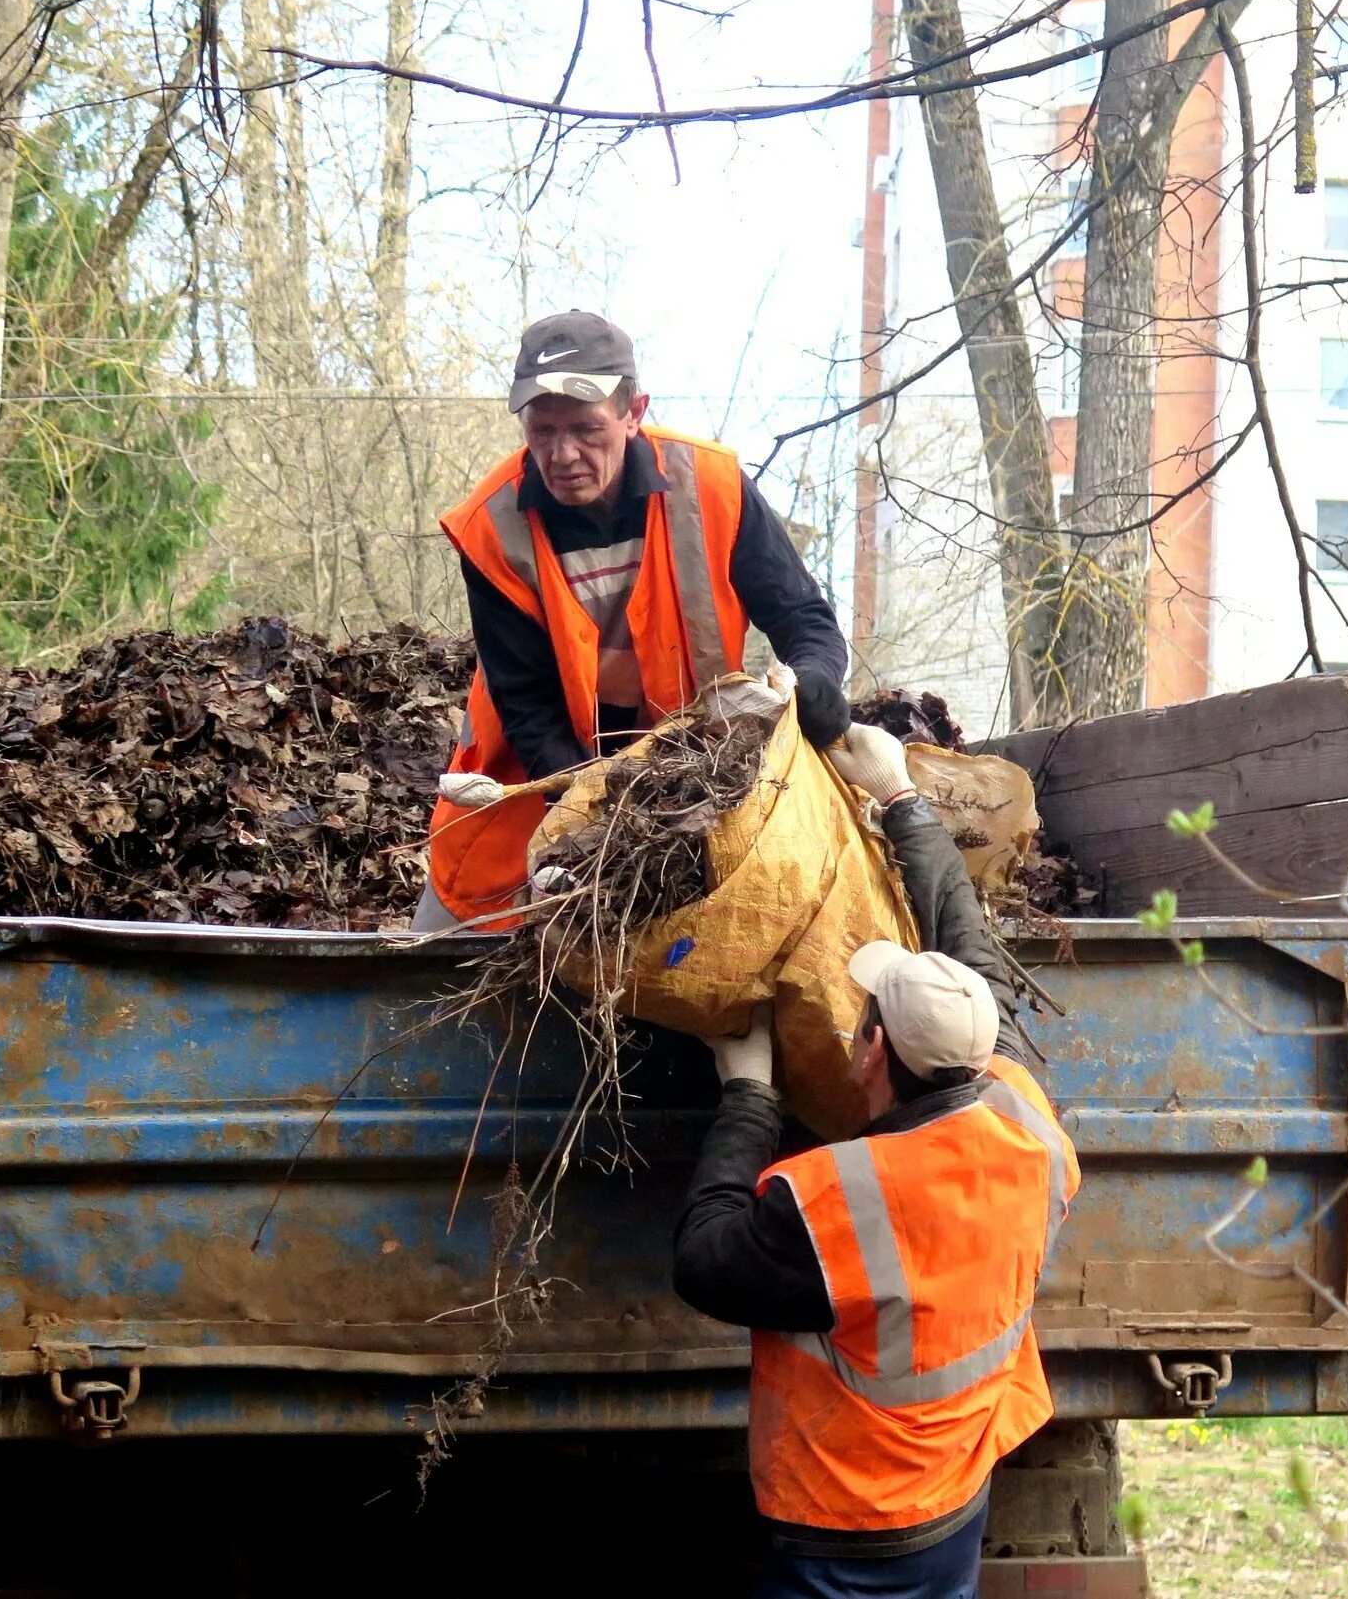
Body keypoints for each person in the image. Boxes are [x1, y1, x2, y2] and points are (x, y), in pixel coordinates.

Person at [672, 723, 1078, 1599]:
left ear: (869, 1052)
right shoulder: (1026, 1121)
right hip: (956, 1494)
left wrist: (747, 1095)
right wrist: (902, 801)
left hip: (843, 1521)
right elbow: (975, 969)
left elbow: (705, 1262)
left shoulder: (837, 1200)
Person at [417, 311, 852, 930]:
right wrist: (592, 815)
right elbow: (526, 702)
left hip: (695, 770)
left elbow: (804, 619)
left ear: (633, 412)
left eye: (586, 429)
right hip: (528, 775)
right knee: (453, 945)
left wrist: (816, 683)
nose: (563, 454)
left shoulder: (713, 485)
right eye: (542, 431)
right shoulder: (491, 523)